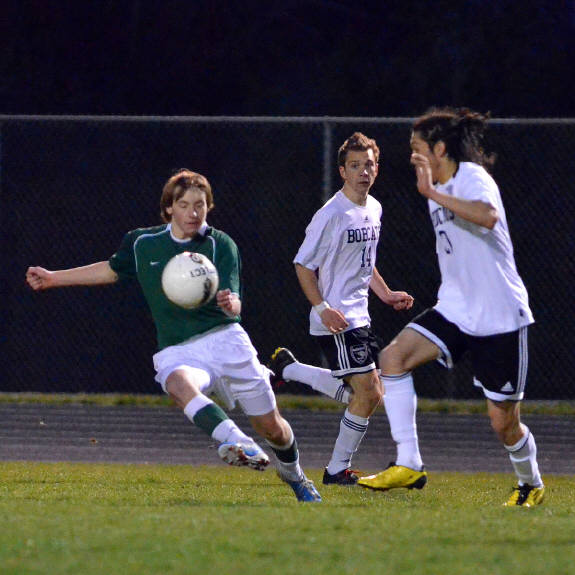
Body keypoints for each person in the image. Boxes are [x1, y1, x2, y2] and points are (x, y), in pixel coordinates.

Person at [26, 168, 321, 503]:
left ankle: (295, 475)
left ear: (209, 207)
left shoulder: (220, 244)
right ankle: (237, 441)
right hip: (180, 348)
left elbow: (235, 300)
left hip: (225, 340)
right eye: (184, 205)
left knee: (274, 429)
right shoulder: (142, 242)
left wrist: (230, 303)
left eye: (200, 205)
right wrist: (54, 277)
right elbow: (111, 270)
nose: (193, 213)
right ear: (169, 208)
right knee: (177, 384)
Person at [356, 107, 544, 507]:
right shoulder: (436, 188)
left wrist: (433, 194)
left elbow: (488, 216)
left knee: (504, 423)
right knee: (393, 358)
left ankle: (531, 483)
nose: (411, 155)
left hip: (498, 314)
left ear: (440, 149)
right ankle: (409, 463)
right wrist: (433, 193)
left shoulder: (470, 177)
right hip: (457, 309)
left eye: (417, 147)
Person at [270, 132, 415, 487]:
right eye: (355, 166)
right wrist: (322, 308)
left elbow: (365, 262)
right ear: (342, 171)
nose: (363, 172)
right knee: (369, 393)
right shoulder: (331, 215)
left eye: (369, 165)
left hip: (360, 316)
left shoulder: (374, 208)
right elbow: (303, 265)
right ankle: (336, 470)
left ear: (377, 168)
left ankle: (289, 369)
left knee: (364, 394)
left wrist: (385, 294)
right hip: (336, 319)